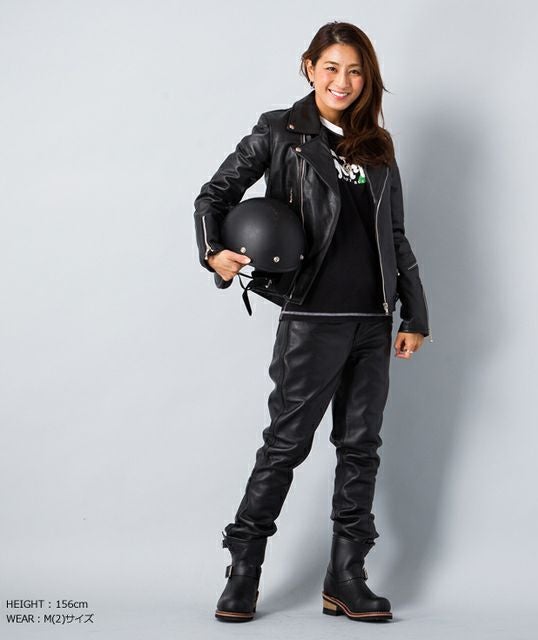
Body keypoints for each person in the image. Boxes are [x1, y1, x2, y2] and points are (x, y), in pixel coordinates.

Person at [193, 21, 432, 623]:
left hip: (372, 320)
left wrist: (414, 312)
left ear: (367, 78)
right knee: (284, 447)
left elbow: (395, 235)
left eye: (355, 71)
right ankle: (243, 571)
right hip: (312, 317)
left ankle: (346, 578)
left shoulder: (377, 145)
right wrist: (213, 252)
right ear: (309, 68)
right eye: (331, 68)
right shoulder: (281, 131)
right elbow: (213, 196)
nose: (342, 81)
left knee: (361, 449)